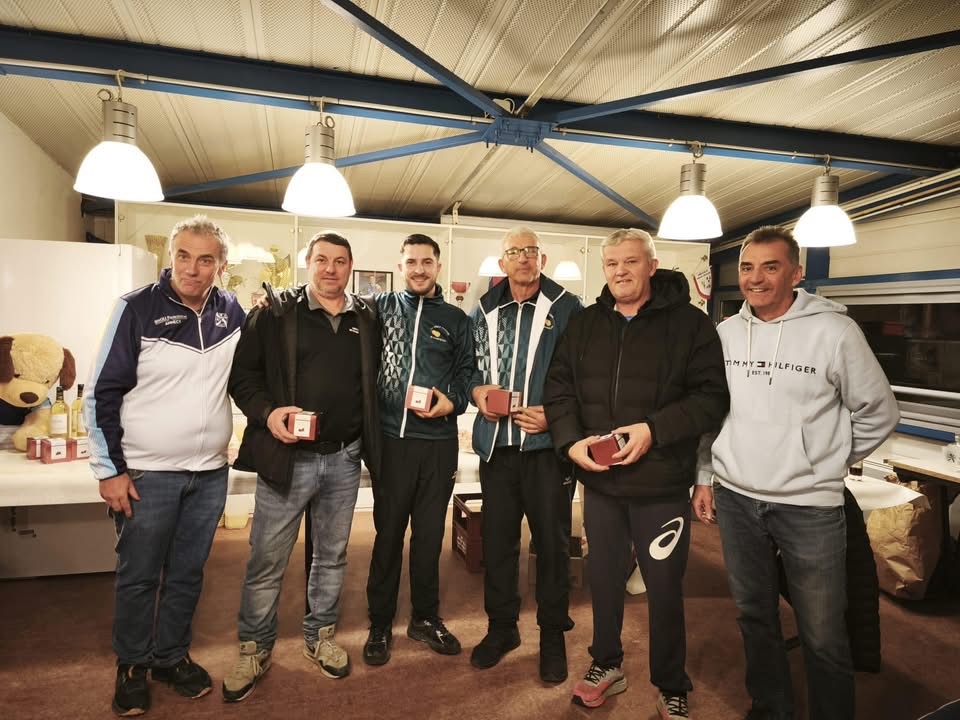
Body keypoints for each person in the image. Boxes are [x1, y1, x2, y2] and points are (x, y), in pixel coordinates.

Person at [693, 225, 898, 720]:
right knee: (754, 615)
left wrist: (827, 461)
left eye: (771, 266)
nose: (755, 278)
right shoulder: (725, 333)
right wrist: (705, 474)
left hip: (809, 505)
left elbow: (879, 411)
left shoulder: (835, 332)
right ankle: (771, 707)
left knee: (823, 630)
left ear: (796, 273)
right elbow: (711, 412)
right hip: (736, 497)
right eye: (747, 267)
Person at [544, 228, 729, 718]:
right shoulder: (585, 324)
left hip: (661, 486)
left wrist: (654, 429)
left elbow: (712, 399)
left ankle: (671, 683)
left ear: (651, 265)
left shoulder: (691, 325)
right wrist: (571, 441)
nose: (620, 271)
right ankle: (606, 664)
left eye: (630, 261)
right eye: (611, 263)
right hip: (601, 485)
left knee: (664, 588)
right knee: (603, 581)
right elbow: (559, 389)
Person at [85, 215, 245, 717]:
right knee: (139, 576)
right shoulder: (135, 308)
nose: (192, 268)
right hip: (146, 473)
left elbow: (249, 376)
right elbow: (100, 393)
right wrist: (109, 470)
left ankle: (171, 657)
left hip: (209, 473)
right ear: (170, 256)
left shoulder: (231, 312)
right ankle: (132, 664)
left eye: (205, 259)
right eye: (183, 256)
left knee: (187, 574)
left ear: (221, 266)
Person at [222, 231, 381, 702]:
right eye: (322, 260)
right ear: (307, 263)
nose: (330, 269)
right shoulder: (276, 314)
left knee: (331, 556)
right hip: (289, 458)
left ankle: (321, 636)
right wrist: (269, 413)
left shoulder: (365, 317)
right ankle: (254, 647)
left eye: (340, 261)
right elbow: (242, 377)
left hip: (345, 457)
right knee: (267, 558)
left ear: (350, 266)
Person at [468, 226, 583, 684]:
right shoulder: (483, 309)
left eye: (530, 251)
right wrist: (477, 392)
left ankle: (552, 636)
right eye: (514, 252)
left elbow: (585, 377)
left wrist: (555, 417)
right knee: (497, 544)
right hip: (497, 450)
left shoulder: (568, 308)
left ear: (542, 258)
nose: (522, 258)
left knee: (552, 547)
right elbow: (470, 368)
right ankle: (502, 628)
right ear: (503, 262)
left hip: (546, 451)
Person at [362, 233, 475, 665]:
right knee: (388, 535)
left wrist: (453, 402)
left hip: (438, 446)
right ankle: (379, 622)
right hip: (391, 443)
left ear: (438, 267)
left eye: (427, 262)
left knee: (428, 538)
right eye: (411, 262)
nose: (419, 269)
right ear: (400, 266)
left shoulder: (456, 320)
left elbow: (467, 373)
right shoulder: (379, 308)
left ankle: (424, 619)